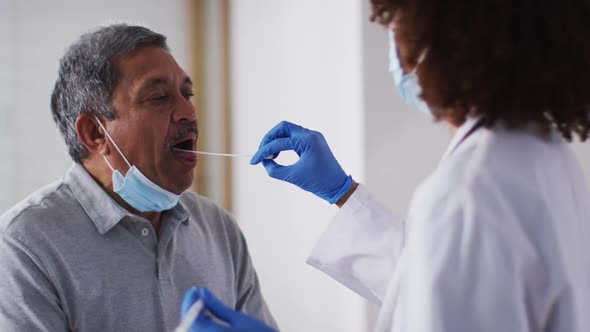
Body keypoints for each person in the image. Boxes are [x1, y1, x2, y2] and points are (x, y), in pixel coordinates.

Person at [181, 0, 590, 331]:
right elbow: (436, 285)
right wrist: (341, 192)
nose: (392, 46)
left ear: (444, 40)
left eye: (396, 23)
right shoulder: (546, 157)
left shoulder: (468, 194)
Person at [0, 24, 276, 331]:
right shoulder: (23, 244)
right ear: (95, 134)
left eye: (187, 93)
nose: (189, 112)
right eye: (158, 97)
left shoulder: (218, 228)